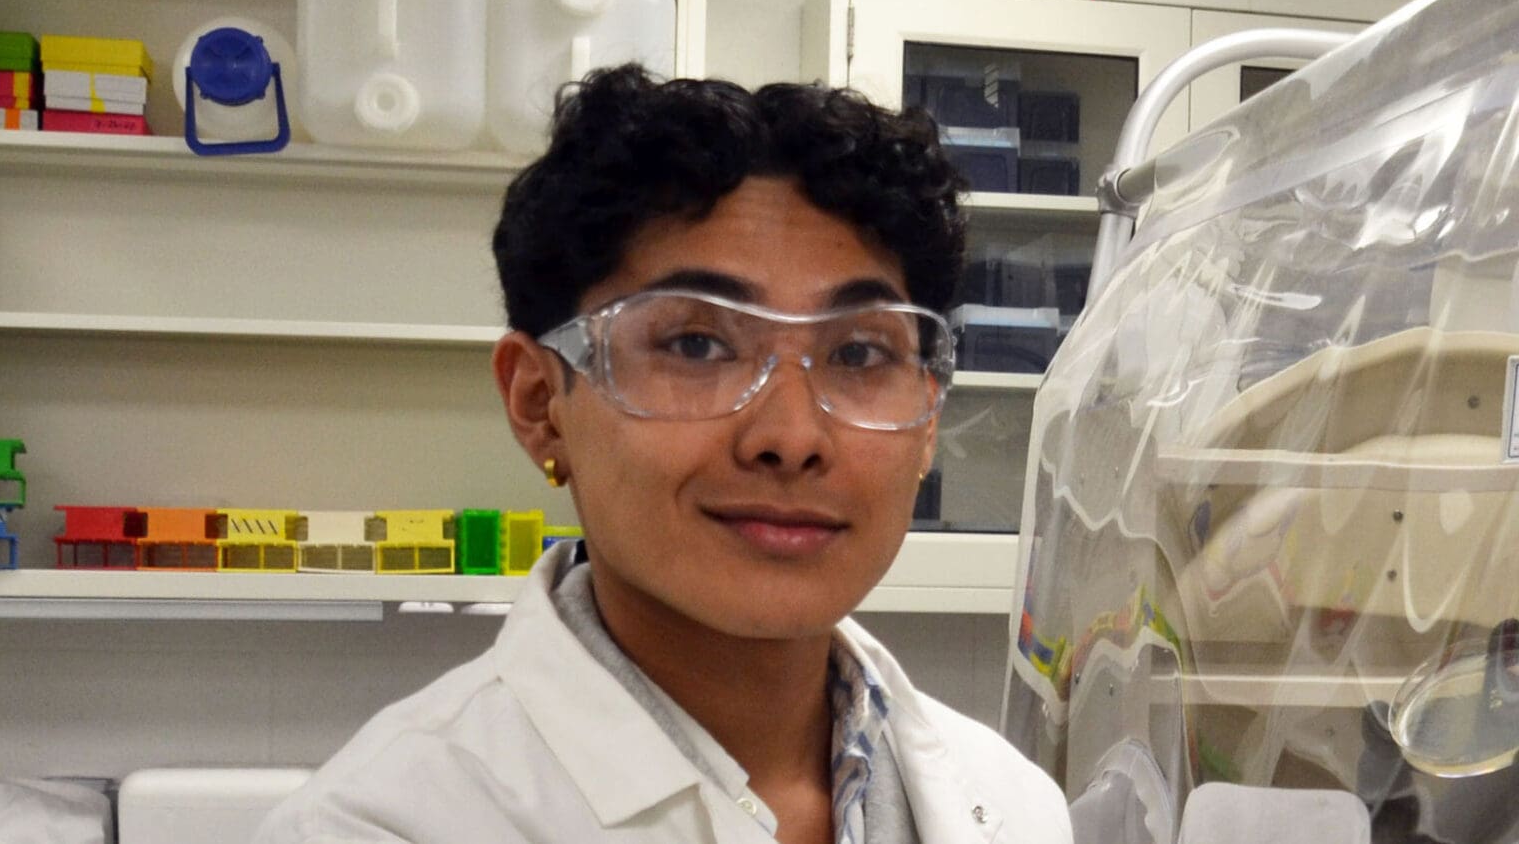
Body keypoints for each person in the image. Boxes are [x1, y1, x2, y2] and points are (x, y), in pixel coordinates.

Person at [254, 64, 1072, 844]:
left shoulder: (1014, 805)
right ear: (540, 404)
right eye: (696, 343)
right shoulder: (379, 824)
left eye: (859, 355)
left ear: (928, 416)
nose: (790, 438)